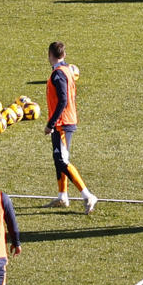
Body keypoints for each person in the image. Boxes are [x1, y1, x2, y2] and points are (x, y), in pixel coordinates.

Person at [44, 41, 97, 213]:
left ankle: (88, 195)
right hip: (66, 121)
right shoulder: (68, 70)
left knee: (62, 160)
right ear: (64, 55)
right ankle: (62, 196)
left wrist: (51, 124)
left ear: (50, 55)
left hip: (62, 123)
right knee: (58, 159)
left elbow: (63, 100)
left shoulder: (58, 74)